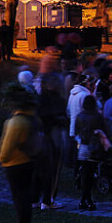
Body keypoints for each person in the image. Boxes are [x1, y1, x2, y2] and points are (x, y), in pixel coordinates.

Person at [0, 83, 39, 223]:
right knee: (25, 195)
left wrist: (2, 159)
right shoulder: (31, 117)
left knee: (19, 197)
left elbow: (6, 150)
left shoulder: (16, 122)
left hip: (15, 164)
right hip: (28, 161)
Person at [36, 73, 67, 210]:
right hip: (52, 135)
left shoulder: (39, 98)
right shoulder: (55, 99)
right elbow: (56, 116)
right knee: (52, 169)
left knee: (39, 170)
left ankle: (35, 199)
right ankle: (48, 200)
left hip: (39, 136)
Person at [74, 95, 107, 210]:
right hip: (94, 147)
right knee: (90, 172)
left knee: (84, 173)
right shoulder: (97, 116)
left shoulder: (80, 116)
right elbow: (104, 129)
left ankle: (84, 199)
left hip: (83, 146)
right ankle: (87, 200)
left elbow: (75, 131)